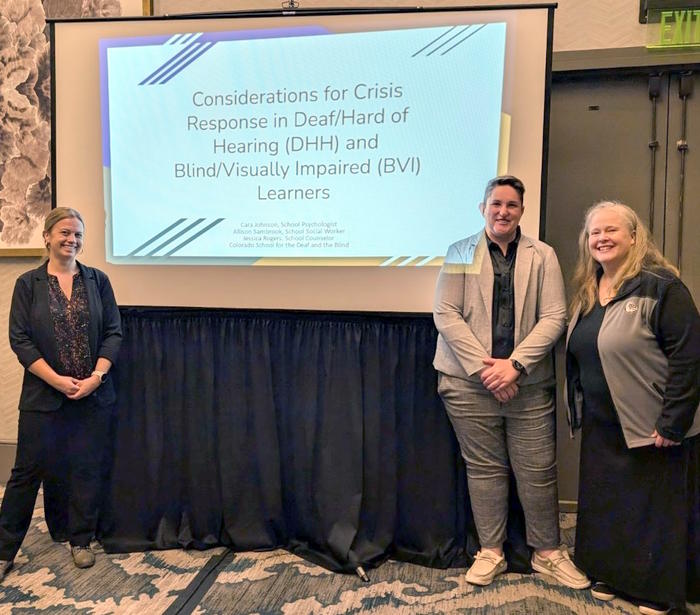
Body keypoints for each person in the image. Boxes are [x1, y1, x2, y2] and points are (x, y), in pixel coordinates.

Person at [433, 175, 589, 589]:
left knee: (537, 469)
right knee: (484, 469)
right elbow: (446, 313)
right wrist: (488, 371)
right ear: (482, 207)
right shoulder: (460, 252)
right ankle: (492, 551)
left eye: (512, 205)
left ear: (522, 211)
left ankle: (548, 554)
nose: (503, 211)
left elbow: (555, 316)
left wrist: (514, 366)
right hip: (468, 383)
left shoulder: (543, 255)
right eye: (496, 204)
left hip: (529, 383)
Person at [566, 201, 699, 615]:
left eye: (612, 231)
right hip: (604, 424)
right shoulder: (591, 289)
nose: (601, 239)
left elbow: (688, 356)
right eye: (594, 233)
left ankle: (659, 593)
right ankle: (613, 574)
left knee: (653, 511)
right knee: (610, 505)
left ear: (635, 237)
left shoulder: (662, 285)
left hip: (652, 425)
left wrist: (672, 422)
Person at [0, 207, 122, 578]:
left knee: (86, 468)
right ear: (48, 237)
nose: (72, 240)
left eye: (78, 235)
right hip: (43, 396)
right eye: (65, 233)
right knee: (25, 473)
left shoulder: (98, 281)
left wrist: (96, 377)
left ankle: (80, 540)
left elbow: (113, 333)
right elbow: (19, 339)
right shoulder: (27, 284)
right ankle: (4, 551)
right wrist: (54, 379)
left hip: (92, 394)